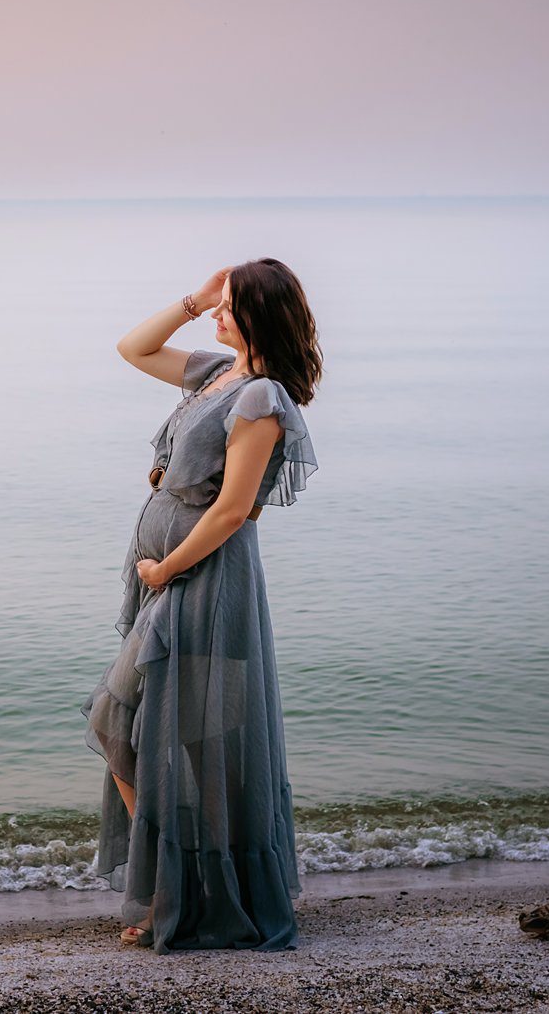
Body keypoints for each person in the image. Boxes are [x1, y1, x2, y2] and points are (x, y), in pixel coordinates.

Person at [80, 258, 321, 953]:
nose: (218, 313)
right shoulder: (220, 373)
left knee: (163, 729)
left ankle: (175, 897)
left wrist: (166, 567)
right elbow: (135, 348)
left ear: (258, 315)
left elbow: (232, 511)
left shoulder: (261, 398)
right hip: (171, 573)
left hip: (206, 579)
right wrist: (196, 296)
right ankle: (176, 890)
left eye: (229, 304)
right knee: (142, 729)